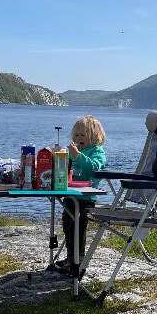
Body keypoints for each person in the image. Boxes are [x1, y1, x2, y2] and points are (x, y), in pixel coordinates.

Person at [57, 115, 107, 275]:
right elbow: (69, 170)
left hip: (85, 199)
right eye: (76, 135)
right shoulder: (75, 152)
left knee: (78, 229)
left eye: (83, 135)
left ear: (94, 137)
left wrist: (78, 155)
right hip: (71, 195)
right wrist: (62, 158)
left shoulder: (97, 152)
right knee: (67, 225)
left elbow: (93, 168)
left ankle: (78, 261)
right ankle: (71, 257)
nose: (79, 138)